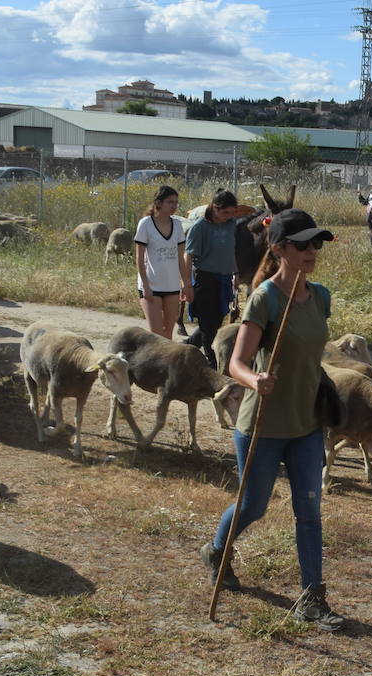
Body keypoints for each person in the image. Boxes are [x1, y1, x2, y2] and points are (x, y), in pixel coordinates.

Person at [203, 208, 343, 631]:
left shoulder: (320, 296)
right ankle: (215, 550)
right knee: (252, 506)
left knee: (309, 511)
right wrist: (255, 380)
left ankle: (311, 598)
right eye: (302, 244)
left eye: (316, 243)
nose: (311, 251)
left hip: (306, 424)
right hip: (262, 425)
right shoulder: (265, 298)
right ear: (279, 249)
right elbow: (237, 364)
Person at [182, 188, 256, 359]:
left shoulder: (231, 225)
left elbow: (230, 252)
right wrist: (186, 284)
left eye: (232, 212)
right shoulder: (199, 227)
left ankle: (189, 346)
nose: (229, 215)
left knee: (216, 320)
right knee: (208, 323)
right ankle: (210, 360)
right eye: (225, 212)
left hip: (224, 279)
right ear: (214, 208)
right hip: (204, 278)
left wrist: (235, 273)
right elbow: (188, 256)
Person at [133, 185, 192, 337]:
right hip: (151, 285)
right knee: (156, 335)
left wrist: (185, 283)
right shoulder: (145, 224)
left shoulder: (178, 225)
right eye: (170, 202)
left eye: (176, 202)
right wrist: (145, 285)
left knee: (167, 336)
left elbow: (180, 258)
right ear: (159, 203)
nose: (174, 206)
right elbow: (139, 258)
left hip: (171, 286)